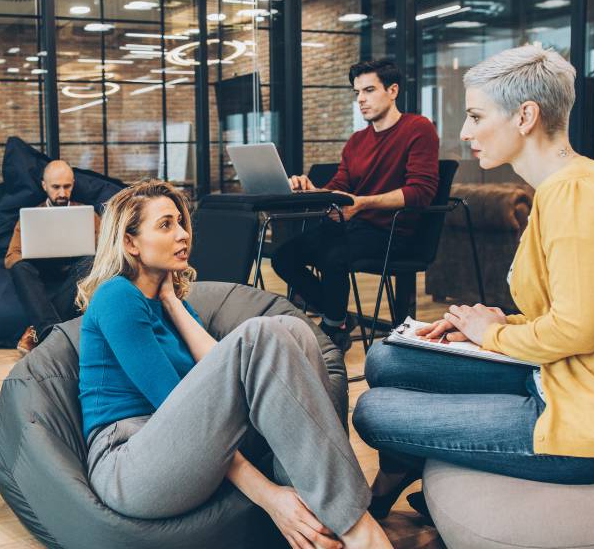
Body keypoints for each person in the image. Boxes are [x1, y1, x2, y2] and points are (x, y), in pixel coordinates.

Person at [353, 45, 594, 520]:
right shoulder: (565, 185)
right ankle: (405, 467)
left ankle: (397, 472)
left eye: (476, 116)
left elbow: (578, 330)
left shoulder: (577, 197)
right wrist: (499, 323)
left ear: (525, 115)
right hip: (565, 373)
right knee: (387, 357)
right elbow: (571, 310)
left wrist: (494, 335)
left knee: (372, 412)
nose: (465, 133)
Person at [77, 180, 392, 549]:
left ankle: (315, 507)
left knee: (294, 330)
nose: (182, 235)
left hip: (183, 445)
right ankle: (359, 530)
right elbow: (178, 408)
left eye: (181, 222)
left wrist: (171, 300)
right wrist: (271, 499)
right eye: (165, 225)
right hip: (131, 463)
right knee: (260, 334)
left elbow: (222, 368)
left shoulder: (169, 301)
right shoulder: (117, 296)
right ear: (130, 243)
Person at [271, 58, 439, 351]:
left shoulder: (418, 128)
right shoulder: (357, 140)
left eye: (369, 90)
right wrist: (313, 189)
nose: (361, 99)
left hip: (392, 232)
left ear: (393, 90)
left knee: (332, 256)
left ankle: (334, 328)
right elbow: (340, 187)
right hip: (354, 227)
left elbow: (420, 192)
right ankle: (339, 318)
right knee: (283, 257)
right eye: (357, 92)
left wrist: (362, 204)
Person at [5, 160, 99, 355]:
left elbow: (106, 251)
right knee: (19, 267)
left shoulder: (88, 215)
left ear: (73, 184)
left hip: (75, 276)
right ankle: (52, 335)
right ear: (44, 186)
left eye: (67, 186)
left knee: (91, 262)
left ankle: (40, 333)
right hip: (42, 276)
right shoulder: (30, 217)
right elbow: (11, 256)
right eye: (56, 187)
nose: (62, 193)